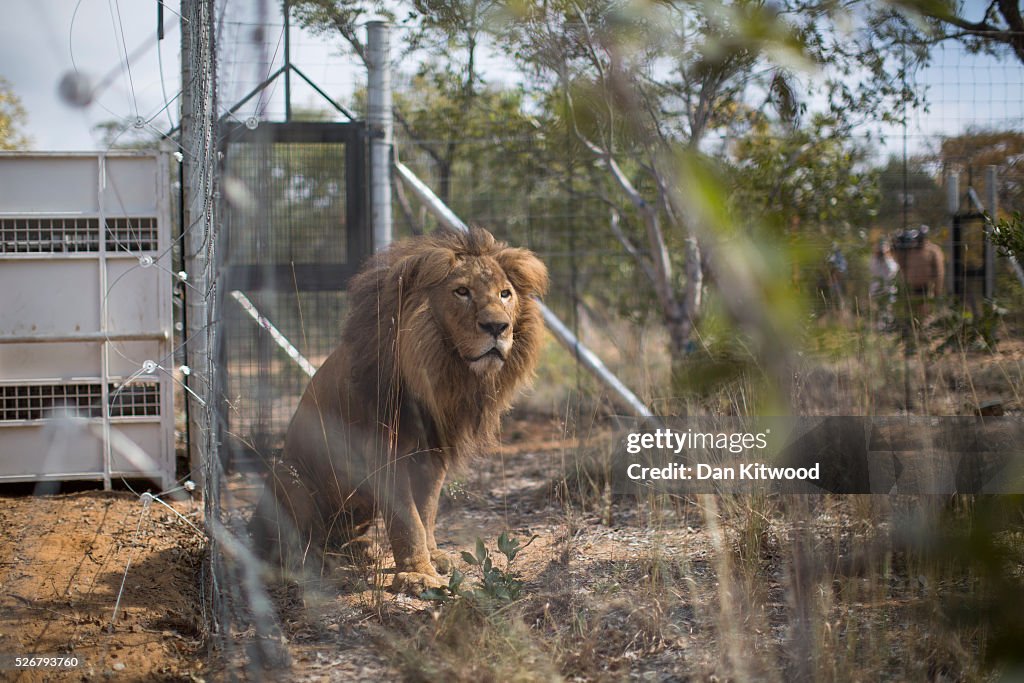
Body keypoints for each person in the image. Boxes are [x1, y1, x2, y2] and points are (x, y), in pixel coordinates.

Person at [869, 238, 899, 329]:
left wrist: (886, 256)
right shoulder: (874, 261)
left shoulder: (890, 262)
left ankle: (888, 327)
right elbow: (873, 270)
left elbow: (893, 270)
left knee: (888, 309)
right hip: (877, 290)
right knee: (878, 310)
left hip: (888, 290)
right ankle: (880, 328)